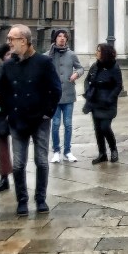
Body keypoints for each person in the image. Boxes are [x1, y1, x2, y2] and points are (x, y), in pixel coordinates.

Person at [0, 25, 61, 216]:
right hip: (17, 121)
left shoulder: (43, 62)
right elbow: (0, 90)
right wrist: (7, 113)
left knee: (41, 161)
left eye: (11, 39)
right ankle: (22, 200)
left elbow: (55, 89)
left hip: (40, 120)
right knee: (18, 164)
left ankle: (40, 199)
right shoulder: (7, 66)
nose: (9, 43)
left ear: (23, 41)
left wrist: (47, 113)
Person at [48, 29, 84, 164]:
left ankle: (67, 151)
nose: (62, 38)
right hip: (54, 96)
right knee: (56, 124)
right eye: (59, 36)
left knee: (68, 124)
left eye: (64, 36)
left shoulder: (71, 54)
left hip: (68, 94)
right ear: (55, 39)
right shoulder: (48, 55)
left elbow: (80, 68)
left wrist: (77, 74)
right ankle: (56, 151)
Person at [84, 43, 123, 164]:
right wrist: (88, 92)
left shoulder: (114, 67)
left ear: (104, 53)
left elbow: (118, 85)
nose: (96, 52)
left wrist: (110, 98)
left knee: (105, 127)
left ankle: (113, 149)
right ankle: (102, 153)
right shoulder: (95, 66)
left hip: (107, 103)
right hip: (95, 101)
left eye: (99, 50)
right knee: (98, 129)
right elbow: (87, 80)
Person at [0, 44, 13, 192]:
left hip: (20, 113)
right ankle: (4, 177)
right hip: (2, 113)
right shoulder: (0, 70)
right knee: (2, 146)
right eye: (7, 54)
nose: (10, 57)